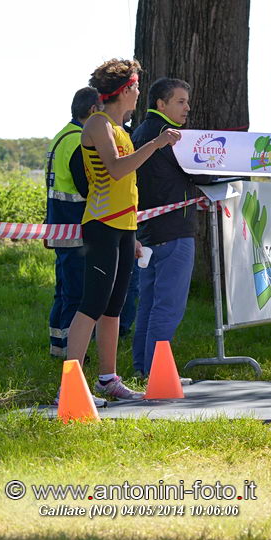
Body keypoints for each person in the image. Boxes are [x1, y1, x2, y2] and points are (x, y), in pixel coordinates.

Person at [62, 58, 181, 403]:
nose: (139, 92)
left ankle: (107, 379)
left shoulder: (120, 128)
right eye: (137, 86)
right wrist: (155, 144)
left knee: (113, 307)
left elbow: (126, 186)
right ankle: (68, 386)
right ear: (126, 89)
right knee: (92, 304)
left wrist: (134, 234)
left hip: (124, 225)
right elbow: (116, 169)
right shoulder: (98, 123)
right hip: (101, 224)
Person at [131, 77, 209, 378]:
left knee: (149, 305)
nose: (187, 108)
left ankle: (143, 368)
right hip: (173, 233)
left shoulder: (140, 132)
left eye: (187, 101)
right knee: (168, 307)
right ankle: (157, 374)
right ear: (161, 104)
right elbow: (202, 174)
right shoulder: (172, 137)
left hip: (146, 234)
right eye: (180, 101)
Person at [44, 87, 100, 358]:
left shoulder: (61, 136)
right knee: (76, 292)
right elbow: (84, 186)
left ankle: (58, 345)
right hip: (75, 225)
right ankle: (72, 350)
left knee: (63, 289)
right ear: (93, 111)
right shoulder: (79, 140)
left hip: (58, 222)